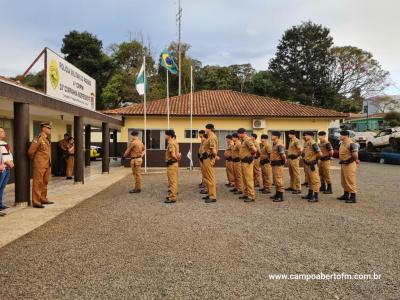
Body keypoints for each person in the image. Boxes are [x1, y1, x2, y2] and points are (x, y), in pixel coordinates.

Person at [28, 122, 54, 208]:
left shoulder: (46, 139)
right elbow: (31, 151)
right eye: (48, 128)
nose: (50, 130)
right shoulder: (38, 138)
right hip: (39, 164)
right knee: (38, 182)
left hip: (47, 164)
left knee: (45, 182)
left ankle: (43, 198)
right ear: (43, 128)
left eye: (50, 128)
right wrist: (36, 161)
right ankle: (36, 201)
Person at [337, 130, 360, 203]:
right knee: (344, 180)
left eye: (341, 135)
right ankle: (346, 194)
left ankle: (353, 197)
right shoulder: (342, 143)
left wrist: (352, 160)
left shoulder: (351, 143)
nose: (339, 136)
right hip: (343, 164)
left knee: (350, 180)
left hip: (349, 164)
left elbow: (355, 155)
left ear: (345, 135)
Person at [302, 131, 322, 202]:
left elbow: (319, 153)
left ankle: (315, 196)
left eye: (306, 135)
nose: (305, 136)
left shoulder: (313, 143)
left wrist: (314, 159)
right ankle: (310, 194)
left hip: (312, 164)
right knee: (309, 180)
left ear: (311, 136)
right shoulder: (307, 143)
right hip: (307, 164)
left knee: (315, 180)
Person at [238, 128, 257, 202]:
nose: (238, 135)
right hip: (243, 162)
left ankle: (251, 196)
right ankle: (246, 194)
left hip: (247, 162)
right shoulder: (243, 140)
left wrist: (250, 156)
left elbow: (254, 150)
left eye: (239, 133)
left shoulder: (248, 140)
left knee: (249, 179)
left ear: (243, 133)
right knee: (245, 179)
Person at [202, 124, 219, 203]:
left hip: (209, 159)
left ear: (209, 129)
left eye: (206, 129)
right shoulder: (210, 137)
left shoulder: (212, 137)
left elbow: (214, 150)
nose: (205, 130)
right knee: (208, 178)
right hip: (207, 159)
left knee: (210, 178)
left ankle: (212, 196)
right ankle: (209, 194)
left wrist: (214, 157)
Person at [0, 127, 14, 215]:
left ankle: (0, 204)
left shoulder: (4, 143)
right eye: (2, 131)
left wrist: (11, 161)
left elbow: (9, 154)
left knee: (2, 187)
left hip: (7, 168)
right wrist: (8, 162)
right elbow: (3, 156)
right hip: (2, 168)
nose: (4, 132)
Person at [270, 131, 286, 202]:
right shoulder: (275, 144)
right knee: (276, 180)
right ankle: (277, 194)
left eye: (272, 135)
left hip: (278, 164)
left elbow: (282, 155)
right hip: (274, 164)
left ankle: (280, 196)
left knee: (279, 180)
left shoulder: (279, 144)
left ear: (276, 136)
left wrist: (283, 161)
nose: (271, 136)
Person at [164, 129, 180, 203]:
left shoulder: (171, 143)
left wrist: (176, 159)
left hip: (172, 164)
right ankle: (172, 194)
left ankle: (173, 197)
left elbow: (173, 154)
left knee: (172, 181)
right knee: (174, 180)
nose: (165, 136)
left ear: (169, 135)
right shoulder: (175, 142)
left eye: (165, 134)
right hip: (174, 164)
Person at [286, 130, 302, 194]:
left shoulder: (296, 141)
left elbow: (300, 150)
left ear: (293, 134)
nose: (288, 135)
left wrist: (297, 156)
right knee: (291, 173)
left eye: (289, 134)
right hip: (290, 159)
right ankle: (292, 186)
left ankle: (298, 188)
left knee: (296, 174)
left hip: (294, 159)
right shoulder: (291, 140)